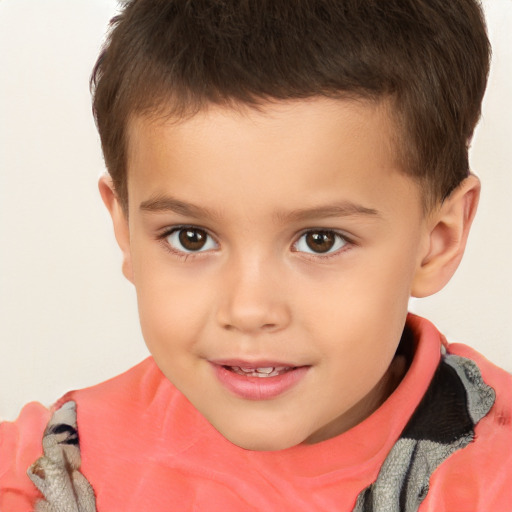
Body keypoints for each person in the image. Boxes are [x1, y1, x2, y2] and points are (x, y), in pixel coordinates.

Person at [1, 0, 511, 510]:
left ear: (438, 239)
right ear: (126, 228)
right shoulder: (49, 471)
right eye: (191, 237)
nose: (248, 310)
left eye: (320, 240)